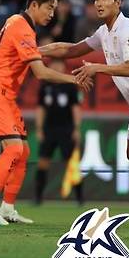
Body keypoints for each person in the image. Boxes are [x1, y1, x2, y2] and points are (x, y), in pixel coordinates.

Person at [0, 0, 91, 226]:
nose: (52, 14)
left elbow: (47, 50)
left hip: (3, 94)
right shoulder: (22, 28)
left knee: (23, 151)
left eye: (55, 9)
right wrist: (73, 79)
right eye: (49, 8)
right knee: (14, 149)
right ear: (34, 5)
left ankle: (7, 207)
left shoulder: (17, 23)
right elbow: (41, 73)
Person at [41, 0, 129, 164]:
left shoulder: (128, 30)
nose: (99, 3)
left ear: (118, 3)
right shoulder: (103, 32)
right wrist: (34, 50)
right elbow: (71, 50)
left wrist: (97, 67)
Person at [35, 59, 83, 205]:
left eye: (59, 64)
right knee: (43, 162)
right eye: (53, 64)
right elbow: (41, 109)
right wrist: (39, 129)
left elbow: (76, 108)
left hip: (66, 129)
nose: (56, 66)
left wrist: (76, 129)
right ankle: (38, 197)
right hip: (49, 129)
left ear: (63, 67)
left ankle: (80, 198)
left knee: (71, 164)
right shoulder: (45, 86)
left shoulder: (70, 87)